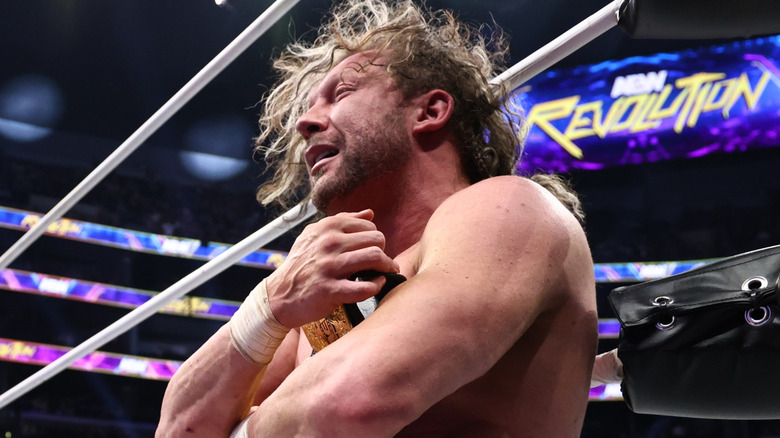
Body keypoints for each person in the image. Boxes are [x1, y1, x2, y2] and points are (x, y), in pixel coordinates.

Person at [156, 0, 598, 436]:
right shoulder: (326, 295)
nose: (306, 122)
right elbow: (178, 430)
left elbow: (348, 404)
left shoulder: (510, 208)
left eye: (341, 93)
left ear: (429, 111)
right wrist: (268, 306)